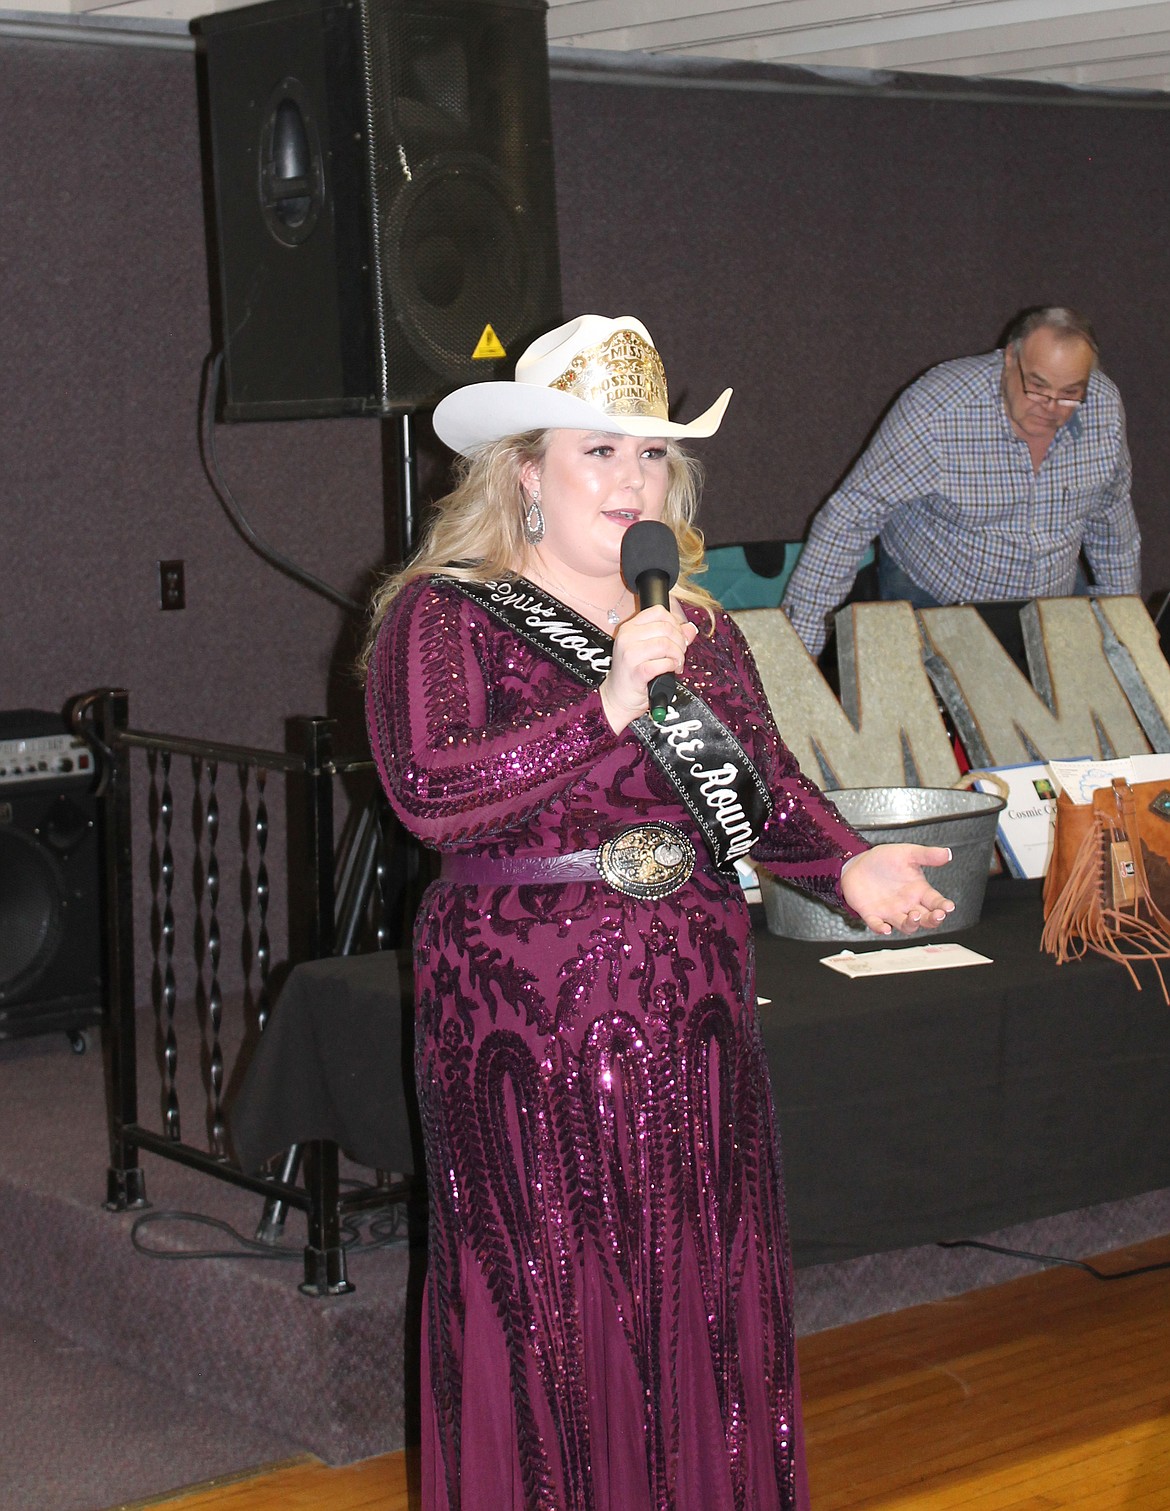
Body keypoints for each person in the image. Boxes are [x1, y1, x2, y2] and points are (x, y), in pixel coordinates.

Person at [364, 313, 955, 1511]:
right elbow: (430, 793)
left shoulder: (697, 625)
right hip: (522, 1020)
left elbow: (767, 787)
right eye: (600, 451)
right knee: (545, 1296)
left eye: (650, 455)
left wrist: (848, 867)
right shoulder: (448, 615)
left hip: (688, 1002)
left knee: (697, 1285)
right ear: (526, 470)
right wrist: (607, 706)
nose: (631, 478)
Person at [782, 306, 1141, 658]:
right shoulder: (937, 412)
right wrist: (800, 649)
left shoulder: (1103, 408)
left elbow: (1112, 524)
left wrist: (1125, 633)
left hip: (1053, 596)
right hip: (937, 593)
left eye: (1069, 394)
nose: (1050, 408)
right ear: (1009, 357)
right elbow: (850, 517)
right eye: (1037, 386)